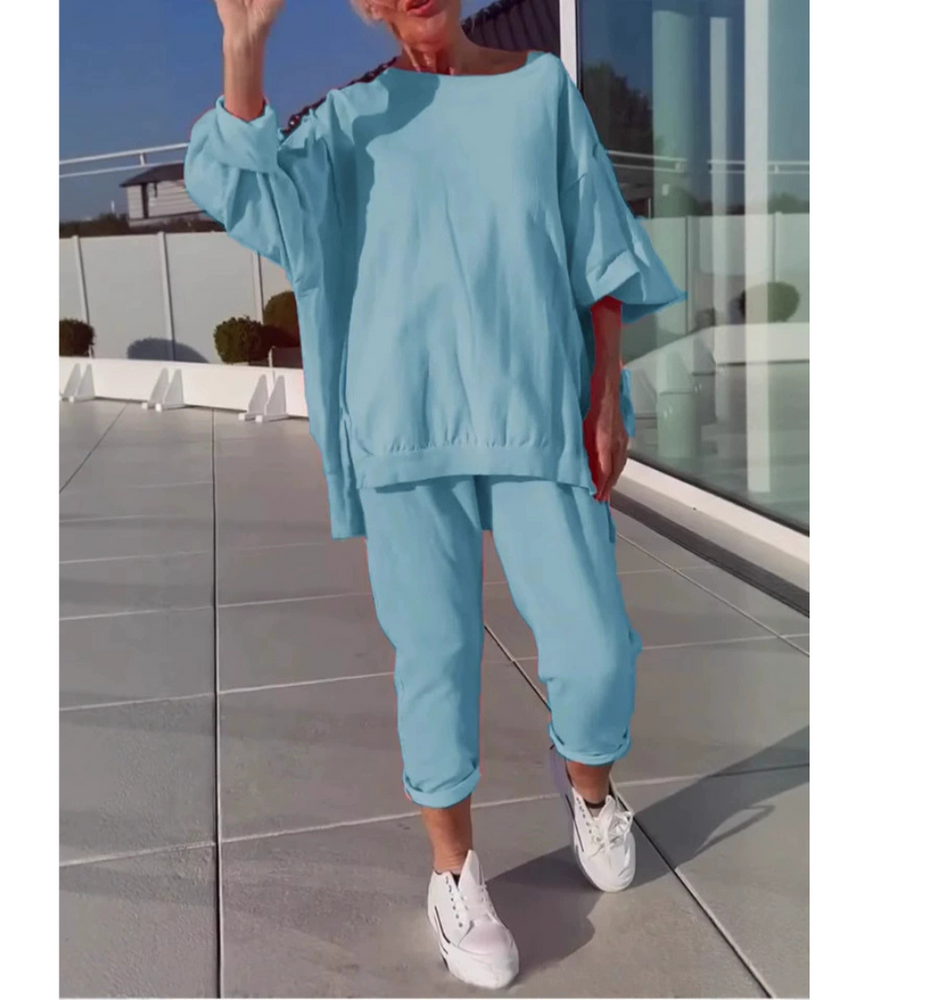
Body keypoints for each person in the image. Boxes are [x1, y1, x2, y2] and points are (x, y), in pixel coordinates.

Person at [186, 0, 685, 989]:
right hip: (401, 422)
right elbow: (247, 192)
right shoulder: (348, 121)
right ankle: (453, 873)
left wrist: (605, 392)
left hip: (536, 408)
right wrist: (244, 48)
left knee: (594, 647)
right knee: (437, 655)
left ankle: (588, 787)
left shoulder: (539, 91)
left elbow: (595, 245)